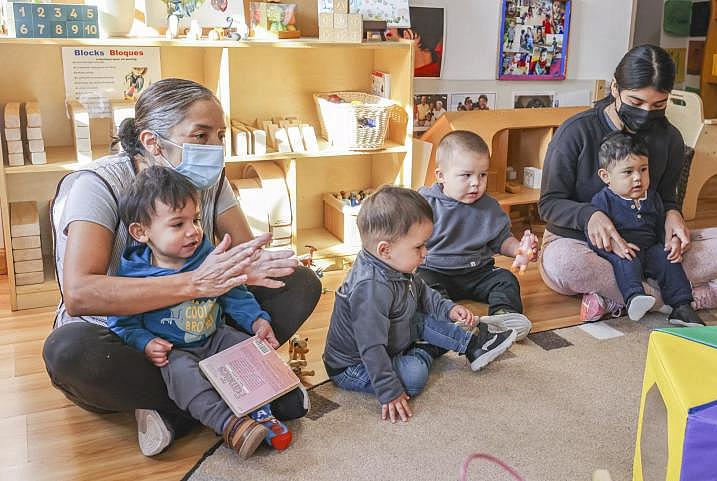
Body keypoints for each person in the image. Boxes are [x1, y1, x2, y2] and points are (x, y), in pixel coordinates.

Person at [43, 78, 322, 456]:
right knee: (68, 351)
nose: (215, 148)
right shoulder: (98, 185)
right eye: (201, 135)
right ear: (151, 142)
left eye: (219, 135)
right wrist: (195, 284)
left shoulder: (208, 181)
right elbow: (80, 294)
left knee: (299, 282)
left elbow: (241, 255)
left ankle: (176, 408)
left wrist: (250, 269)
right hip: (132, 338)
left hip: (201, 325)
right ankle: (234, 390)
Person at [538, 45, 717, 322]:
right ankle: (677, 300)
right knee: (563, 263)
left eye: (659, 105)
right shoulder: (576, 132)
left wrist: (673, 216)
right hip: (583, 245)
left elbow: (667, 197)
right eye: (635, 103)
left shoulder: (669, 138)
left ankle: (619, 296)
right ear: (614, 88)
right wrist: (589, 216)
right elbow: (549, 204)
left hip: (646, 244)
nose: (647, 113)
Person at [109, 166, 294, 458]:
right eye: (177, 224)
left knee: (249, 350)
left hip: (215, 336)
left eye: (194, 220)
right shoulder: (133, 274)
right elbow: (122, 321)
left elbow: (234, 291)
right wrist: (144, 342)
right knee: (183, 375)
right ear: (140, 232)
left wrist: (257, 320)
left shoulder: (206, 253)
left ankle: (262, 412)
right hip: (175, 351)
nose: (193, 231)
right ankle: (230, 425)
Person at [323, 186, 515, 423]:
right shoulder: (369, 288)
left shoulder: (395, 264)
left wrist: (448, 308)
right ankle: (425, 350)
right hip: (355, 365)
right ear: (385, 249)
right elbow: (371, 348)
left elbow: (422, 290)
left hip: (393, 335)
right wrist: (389, 391)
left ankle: (473, 345)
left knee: (424, 318)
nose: (426, 252)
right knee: (413, 377)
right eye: (419, 247)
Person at [417, 131, 535, 342]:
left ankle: (502, 318)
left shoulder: (489, 206)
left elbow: (502, 240)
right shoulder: (425, 204)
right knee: (421, 287)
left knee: (505, 279)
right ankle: (451, 320)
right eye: (466, 175)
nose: (476, 183)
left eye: (483, 175)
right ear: (441, 176)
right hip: (435, 271)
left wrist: (519, 249)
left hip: (477, 272)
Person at [588, 132, 704, 326]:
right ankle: (634, 297)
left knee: (668, 259)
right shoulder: (602, 201)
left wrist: (672, 241)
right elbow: (594, 236)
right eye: (628, 172)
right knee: (626, 261)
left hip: (650, 250)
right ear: (606, 176)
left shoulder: (652, 197)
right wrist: (613, 248)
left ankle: (682, 306)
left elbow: (661, 227)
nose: (637, 178)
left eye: (643, 170)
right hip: (623, 250)